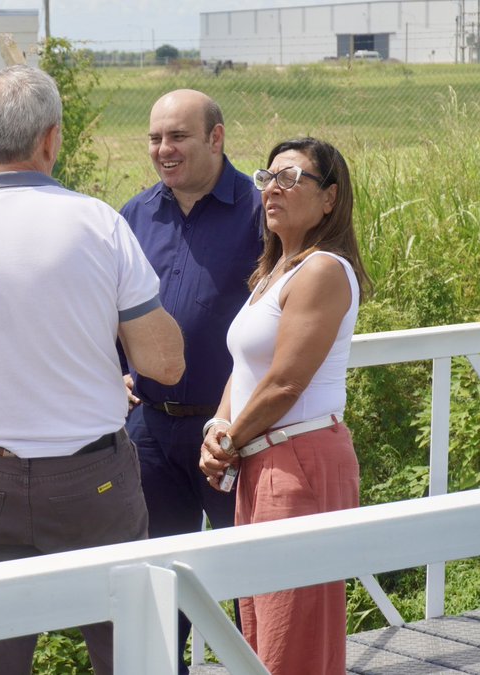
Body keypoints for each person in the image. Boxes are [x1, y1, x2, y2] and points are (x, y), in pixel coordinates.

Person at [0, 65, 186, 675]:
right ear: (51, 139)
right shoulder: (100, 224)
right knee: (125, 650)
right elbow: (165, 363)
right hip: (92, 479)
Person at [200, 137, 371, 675]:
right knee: (263, 623)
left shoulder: (322, 269)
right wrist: (219, 424)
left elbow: (285, 384)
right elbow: (245, 370)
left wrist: (228, 442)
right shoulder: (273, 272)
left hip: (299, 459)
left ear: (329, 199)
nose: (272, 188)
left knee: (293, 633)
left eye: (291, 178)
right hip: (263, 456)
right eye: (266, 177)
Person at [119, 89, 262, 674]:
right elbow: (107, 311)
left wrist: (240, 421)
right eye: (155, 137)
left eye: (177, 136)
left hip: (232, 435)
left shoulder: (260, 212)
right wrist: (112, 372)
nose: (163, 149)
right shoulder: (133, 214)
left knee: (249, 581)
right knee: (154, 586)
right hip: (149, 432)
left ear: (216, 138)